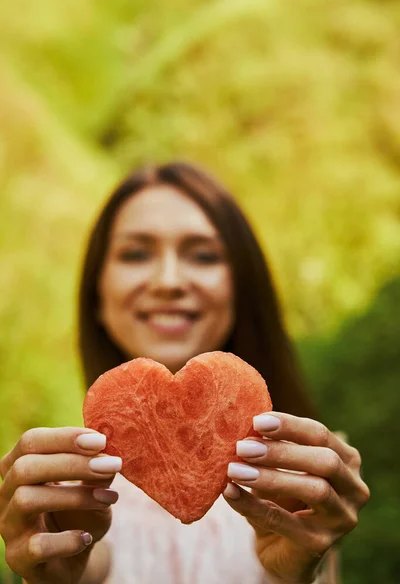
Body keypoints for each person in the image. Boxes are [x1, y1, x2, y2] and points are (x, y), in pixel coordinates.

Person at [0, 162, 369, 584]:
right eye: (136, 253)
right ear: (97, 294)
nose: (169, 281)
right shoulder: (59, 491)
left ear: (240, 286)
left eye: (204, 254)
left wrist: (298, 573)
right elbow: (81, 560)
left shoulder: (302, 479)